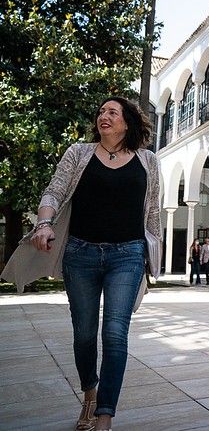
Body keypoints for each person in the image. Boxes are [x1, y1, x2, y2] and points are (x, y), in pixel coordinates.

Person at [1, 97, 161, 431]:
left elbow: (153, 211)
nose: (104, 116)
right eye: (101, 112)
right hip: (81, 254)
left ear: (128, 122)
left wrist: (152, 256)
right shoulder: (78, 153)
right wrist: (44, 224)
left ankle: (104, 416)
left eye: (112, 112)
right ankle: (90, 393)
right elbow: (54, 192)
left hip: (127, 255)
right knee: (84, 335)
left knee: (115, 334)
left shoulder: (147, 160)